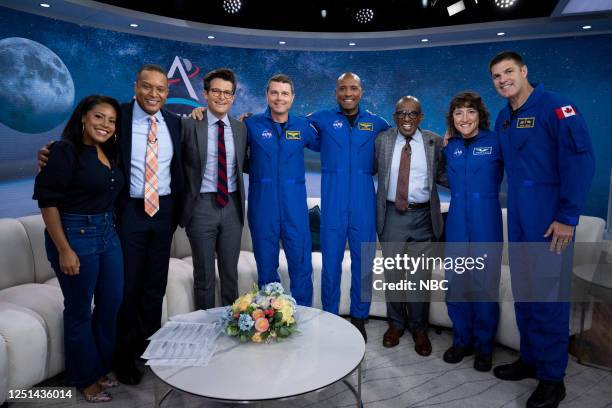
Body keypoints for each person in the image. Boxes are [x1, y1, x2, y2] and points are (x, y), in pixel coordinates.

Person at [38, 64, 184, 385]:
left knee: (153, 286)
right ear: (136, 87)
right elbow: (82, 143)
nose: (153, 94)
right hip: (127, 211)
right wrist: (49, 153)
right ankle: (123, 355)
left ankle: (149, 346)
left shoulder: (176, 123)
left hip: (164, 211)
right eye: (147, 86)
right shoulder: (118, 115)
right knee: (126, 288)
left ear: (167, 93)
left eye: (161, 89)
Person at [489, 51, 595, 408]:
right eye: (496, 76)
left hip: (551, 222)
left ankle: (553, 378)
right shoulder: (505, 119)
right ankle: (531, 360)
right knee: (526, 295)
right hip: (519, 219)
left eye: (508, 72)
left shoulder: (558, 108)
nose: (503, 80)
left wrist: (568, 216)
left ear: (523, 71)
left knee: (549, 300)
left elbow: (580, 162)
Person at [33, 95, 124, 402]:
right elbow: (48, 202)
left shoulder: (109, 150)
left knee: (111, 304)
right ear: (83, 117)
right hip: (75, 235)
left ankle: (98, 367)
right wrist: (64, 249)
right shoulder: (63, 151)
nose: (106, 125)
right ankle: (85, 378)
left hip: (107, 234)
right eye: (99, 117)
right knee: (79, 310)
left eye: (111, 120)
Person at [307, 73, 390, 341]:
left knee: (363, 263)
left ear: (361, 91)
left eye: (353, 88)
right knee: (331, 262)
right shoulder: (320, 118)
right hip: (333, 200)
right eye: (342, 88)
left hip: (364, 201)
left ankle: (359, 317)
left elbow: (397, 145)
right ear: (336, 92)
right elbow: (287, 126)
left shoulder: (378, 123)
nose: (348, 93)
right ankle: (330, 315)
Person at [374, 96, 447, 355]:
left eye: (412, 114)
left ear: (421, 117)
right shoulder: (382, 141)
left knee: (418, 279)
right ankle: (396, 324)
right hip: (392, 215)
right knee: (394, 276)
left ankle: (418, 328)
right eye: (402, 114)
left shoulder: (435, 142)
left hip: (423, 217)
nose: (407, 119)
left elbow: (446, 175)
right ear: (394, 116)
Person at [244, 74, 319, 306]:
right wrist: (199, 115)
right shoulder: (250, 125)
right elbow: (228, 141)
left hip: (294, 209)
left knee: (301, 266)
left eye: (284, 93)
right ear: (267, 95)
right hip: (262, 208)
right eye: (274, 93)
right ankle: (270, 321)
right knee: (266, 268)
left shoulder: (303, 126)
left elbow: (328, 143)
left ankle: (304, 317)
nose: (279, 98)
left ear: (292, 97)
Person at [442, 91, 503, 372]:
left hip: (485, 219)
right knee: (455, 283)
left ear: (480, 115)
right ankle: (462, 340)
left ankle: (484, 346)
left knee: (483, 284)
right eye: (458, 113)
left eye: (470, 112)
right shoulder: (450, 146)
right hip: (456, 219)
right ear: (452, 118)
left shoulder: (496, 142)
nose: (464, 118)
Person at [181, 68, 247, 310]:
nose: (222, 97)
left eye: (227, 93)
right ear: (205, 94)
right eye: (216, 91)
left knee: (231, 274)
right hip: (201, 208)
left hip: (232, 207)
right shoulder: (190, 124)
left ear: (233, 97)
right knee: (204, 276)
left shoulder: (241, 129)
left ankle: (235, 325)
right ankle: (205, 327)